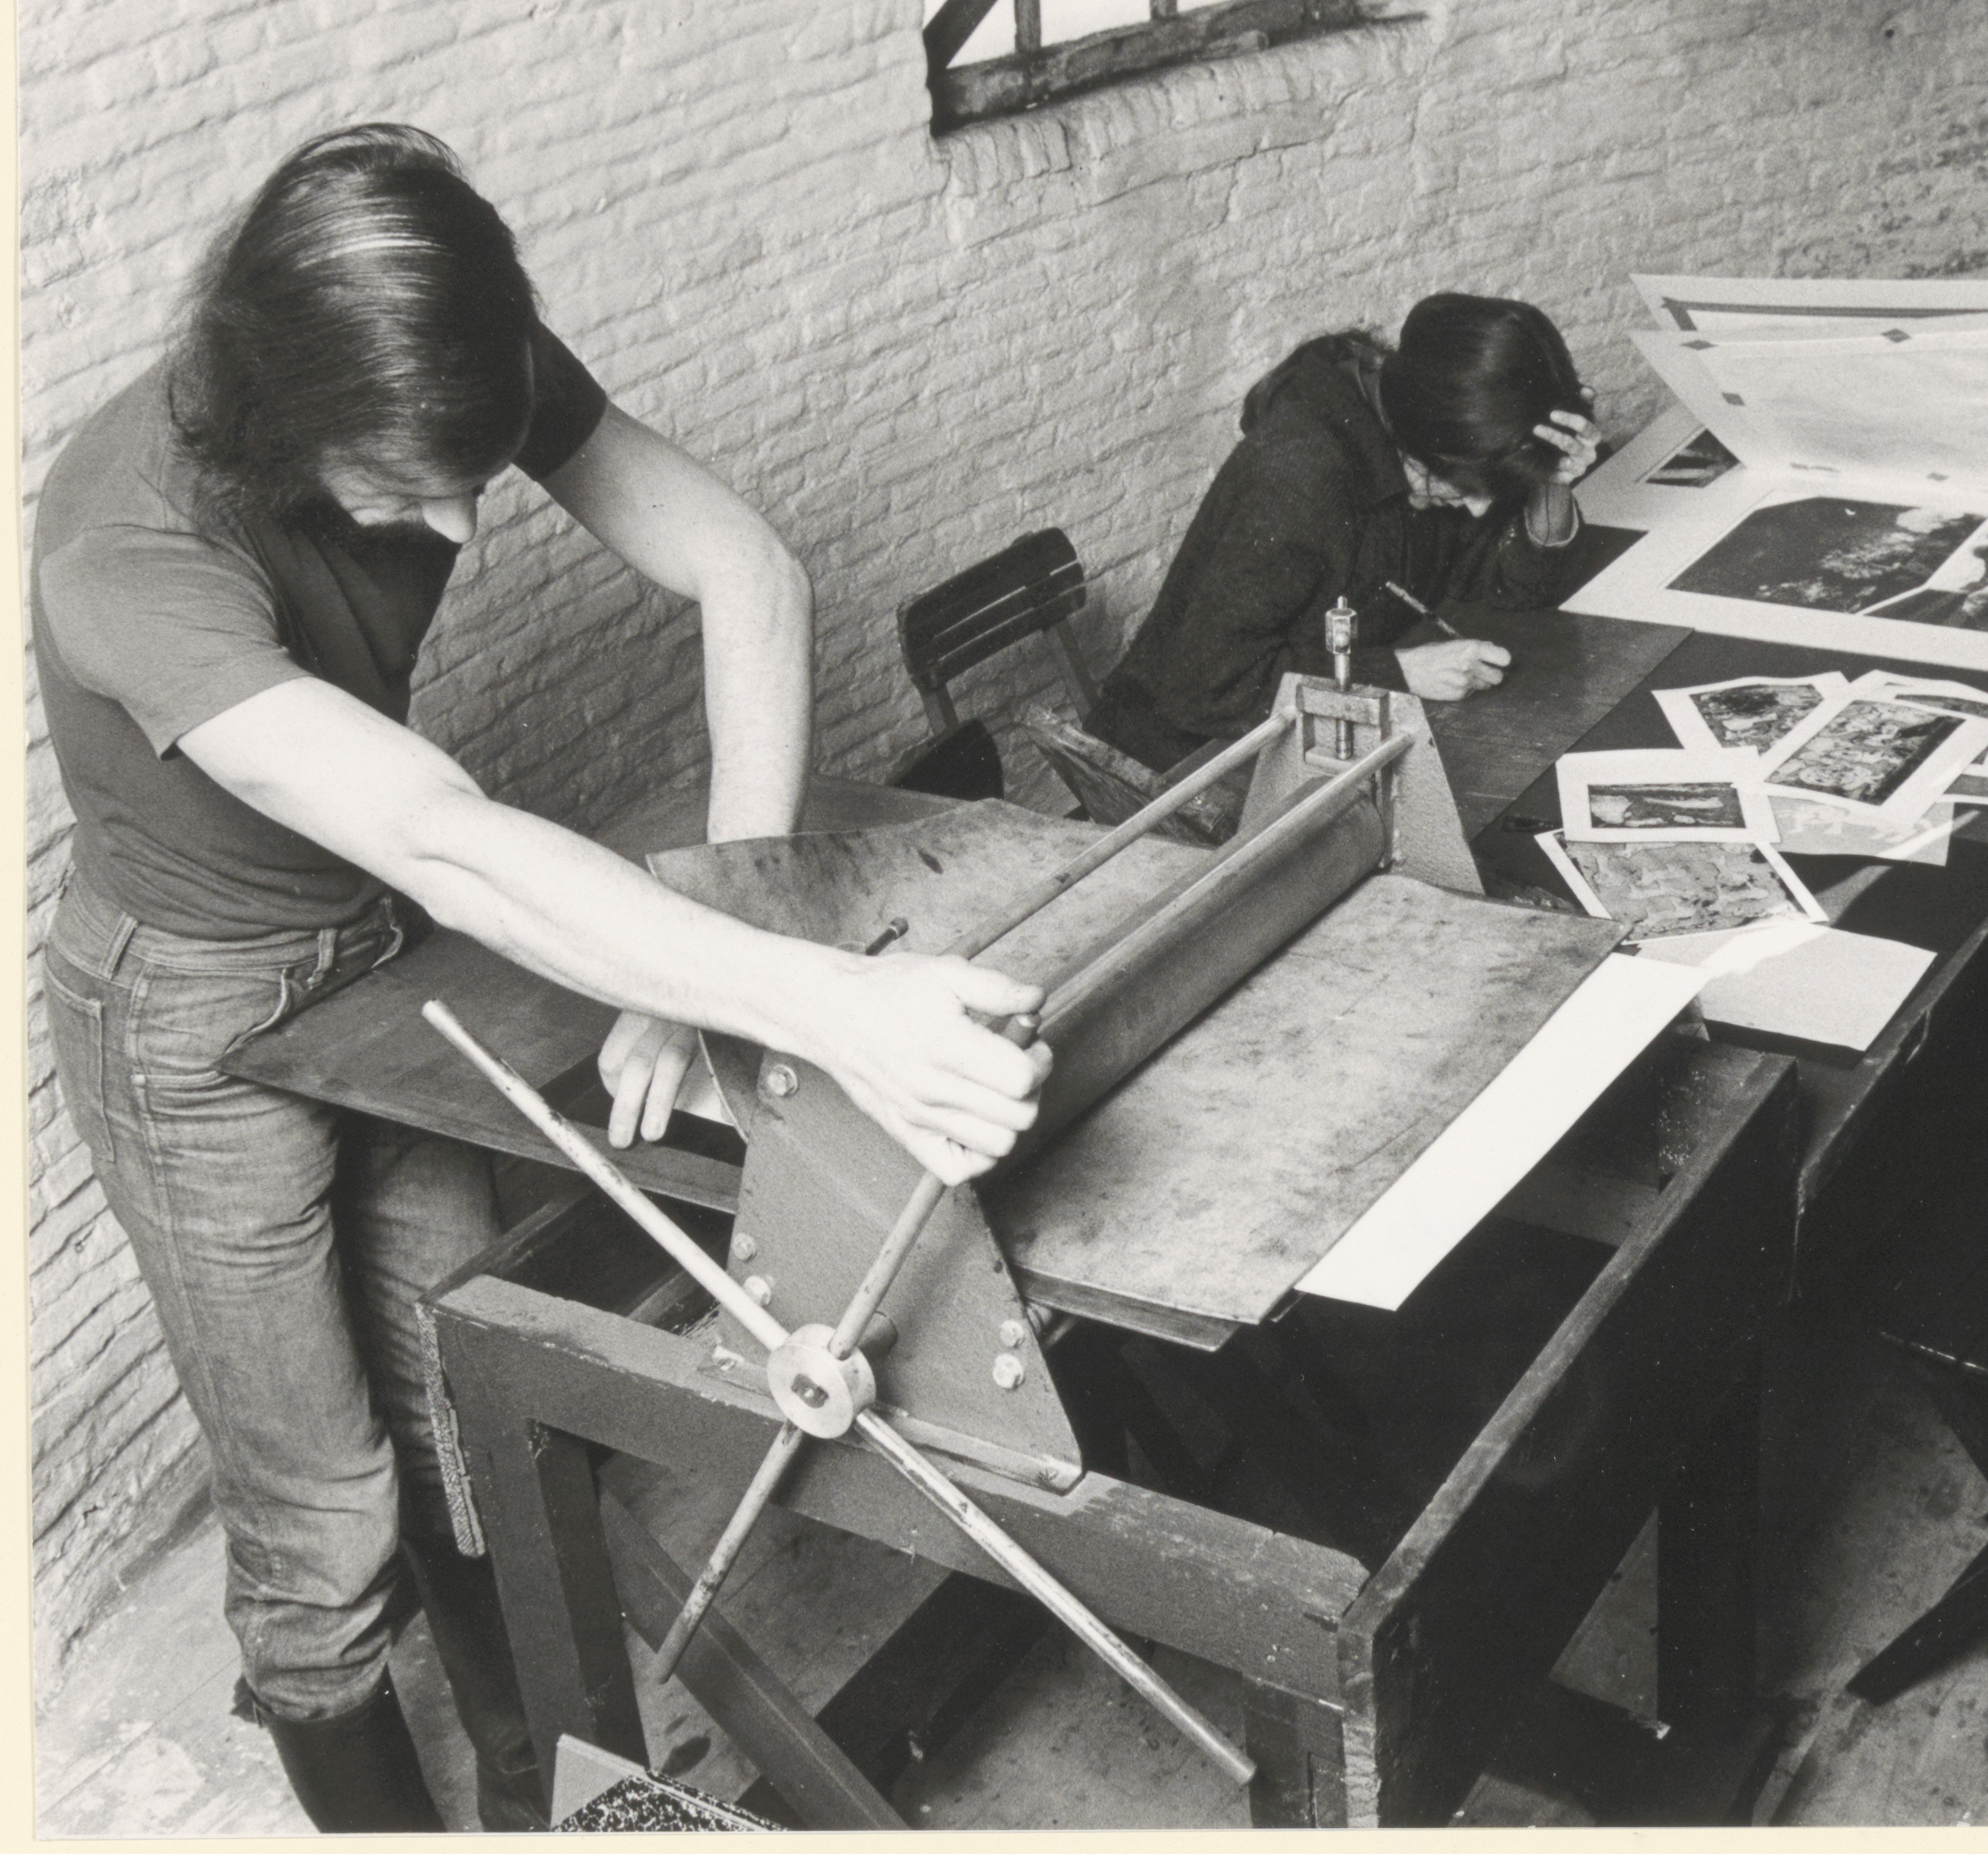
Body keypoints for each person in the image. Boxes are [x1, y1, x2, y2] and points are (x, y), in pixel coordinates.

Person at [31, 126, 1050, 1832]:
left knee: (473, 1403)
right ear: (281, 422)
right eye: (406, 484)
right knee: (322, 1509)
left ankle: (538, 1799)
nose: (453, 523)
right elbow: (443, 834)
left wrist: (718, 942)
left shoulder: (445, 351)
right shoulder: (121, 549)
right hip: (189, 1006)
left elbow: (749, 571)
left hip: (373, 936)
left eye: (476, 471)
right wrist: (823, 1000)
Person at [1085, 293, 1603, 772]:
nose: (1479, 508)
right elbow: (1204, 688)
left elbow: (1517, 589)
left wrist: (1549, 482)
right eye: (1466, 486)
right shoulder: (1299, 478)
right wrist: (1399, 674)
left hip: (1311, 726)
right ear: (1421, 442)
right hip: (1184, 761)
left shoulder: (1428, 438)